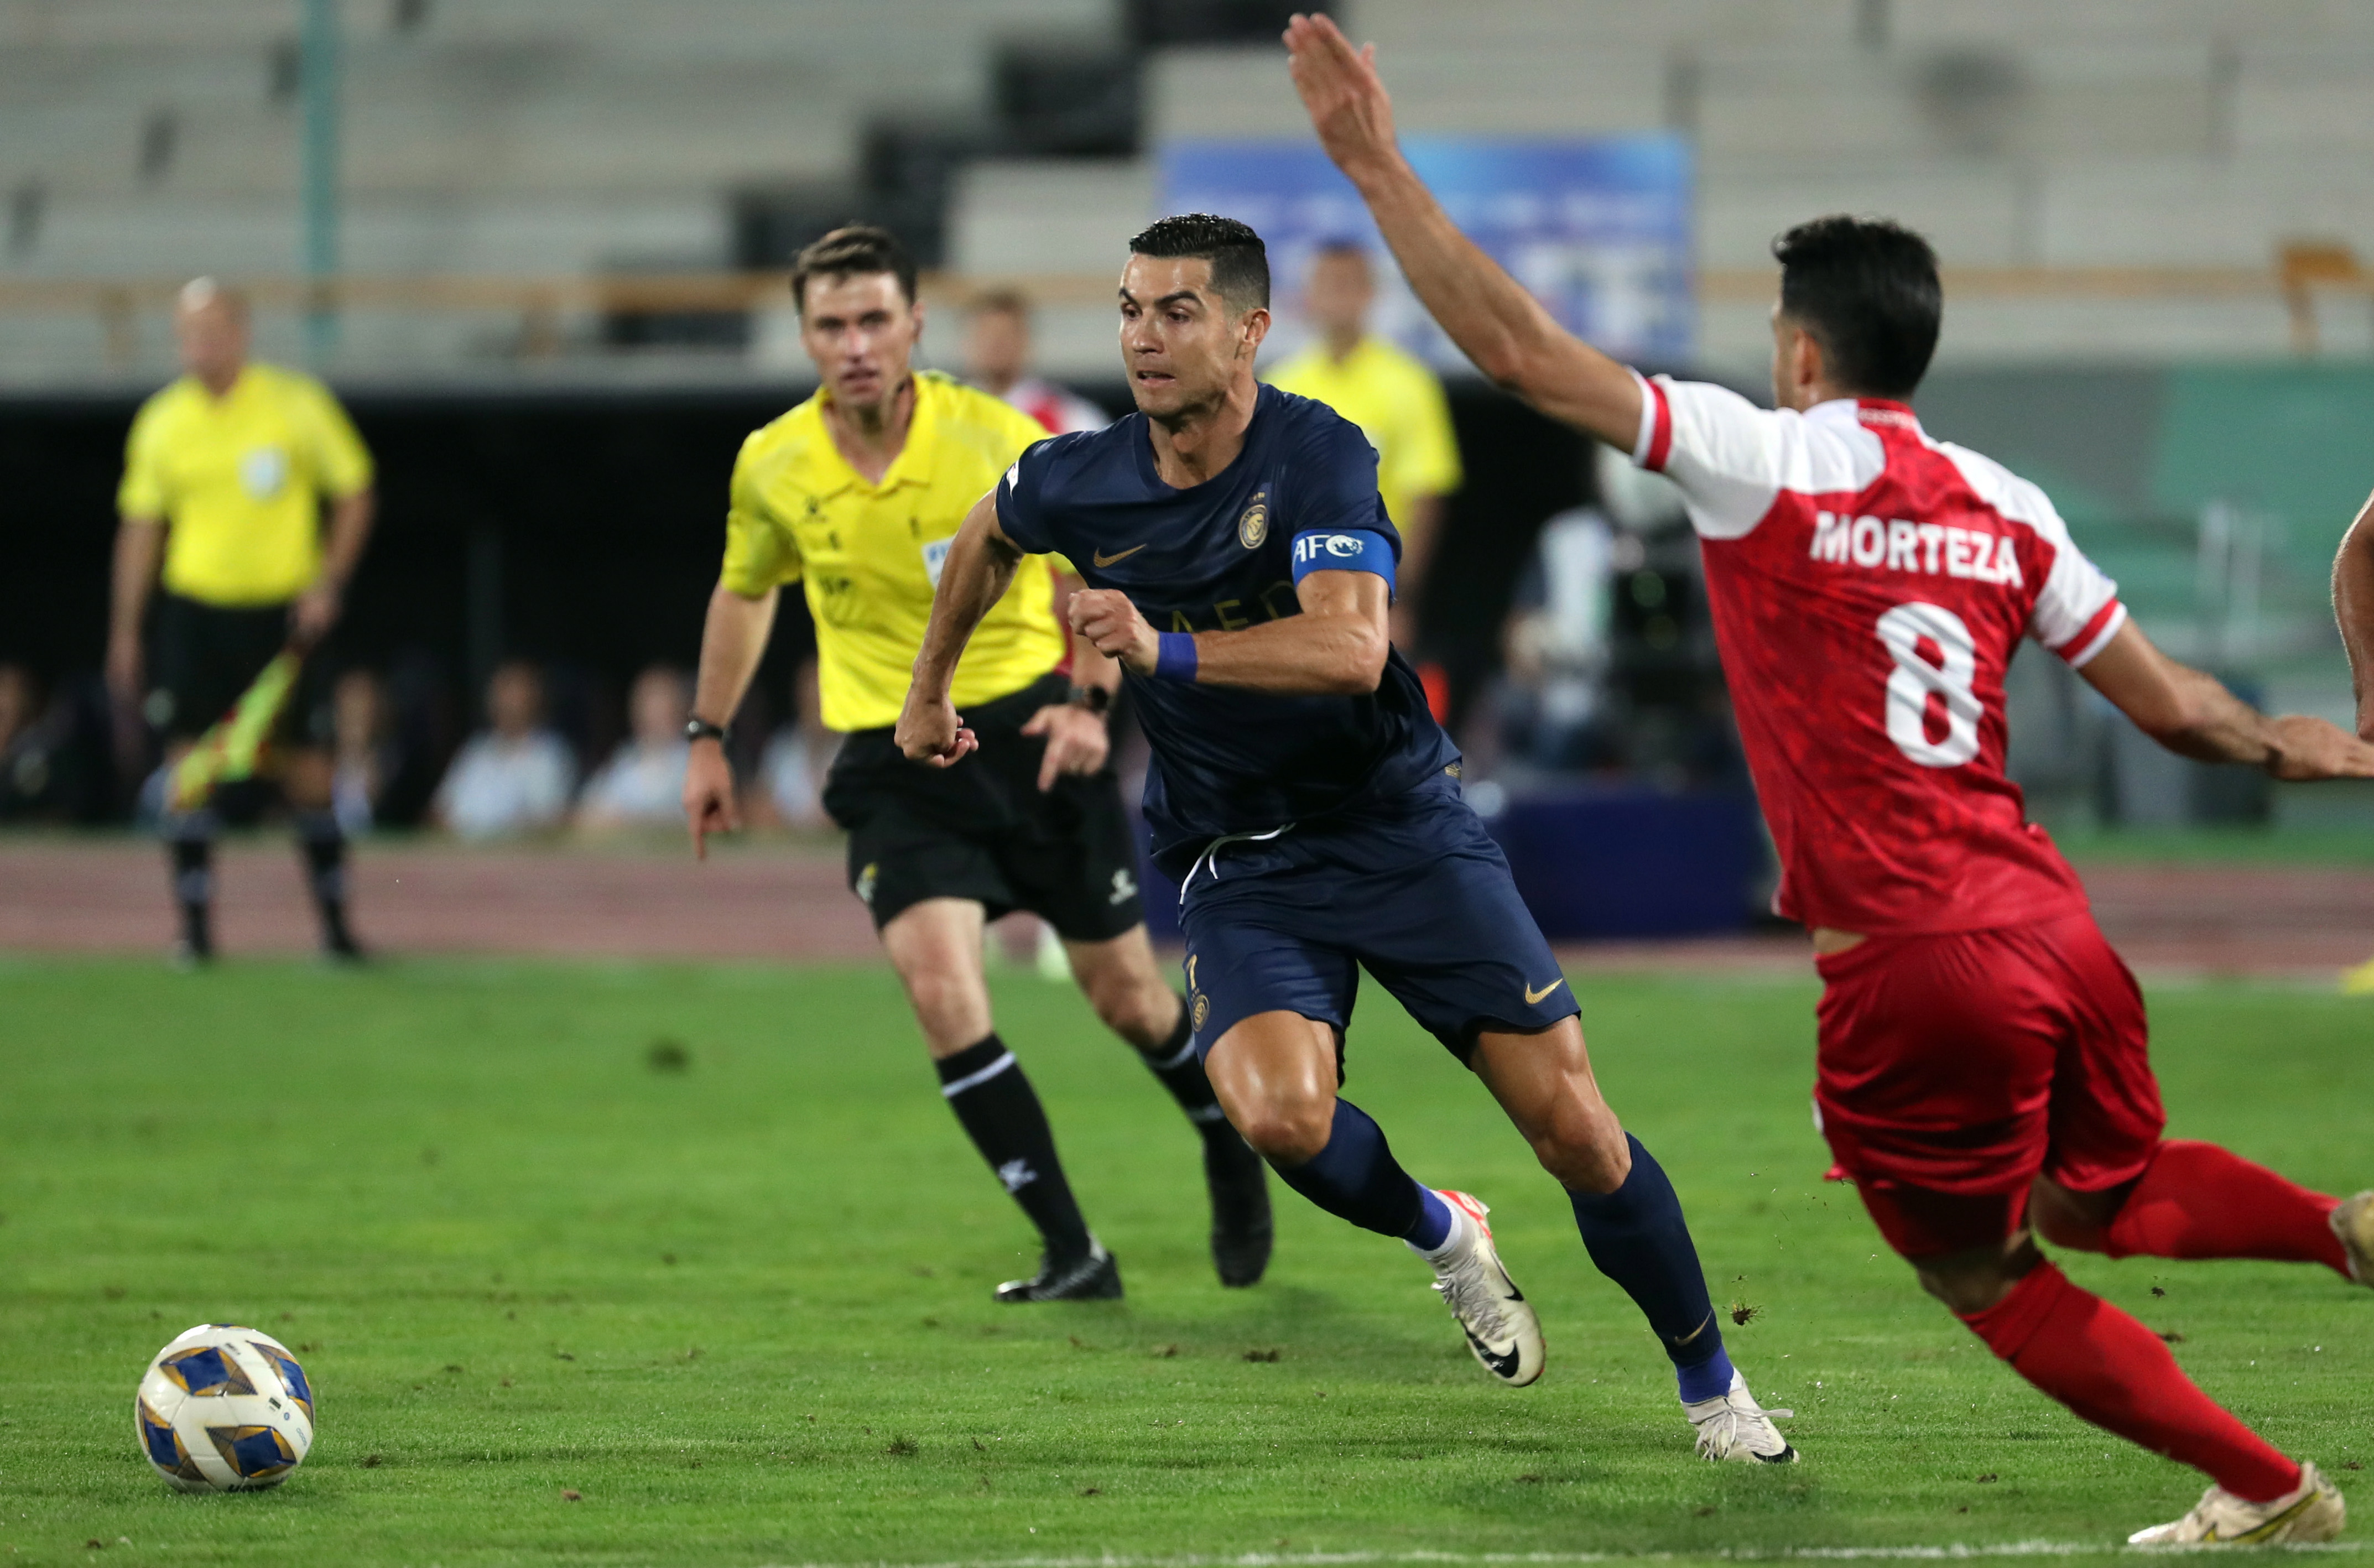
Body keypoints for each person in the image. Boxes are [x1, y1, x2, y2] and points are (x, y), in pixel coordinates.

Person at [1283, 9, 2374, 1541]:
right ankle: (2347, 1230)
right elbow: (2183, 712)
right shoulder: (2007, 501)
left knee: (1985, 1272)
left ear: (1801, 351)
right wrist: (2303, 743)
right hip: (2054, 930)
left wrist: (1371, 165)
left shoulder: (1760, 455)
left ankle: (2270, 1487)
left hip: (1909, 962)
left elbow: (1523, 355)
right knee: (2092, 1196)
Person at [897, 212, 1793, 1465]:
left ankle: (1715, 1391)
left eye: (1177, 312)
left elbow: (1353, 648)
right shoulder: (1078, 474)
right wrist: (930, 687)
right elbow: (989, 534)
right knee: (1273, 1114)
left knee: (1576, 1130)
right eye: (1128, 310)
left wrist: (1165, 650)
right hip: (1240, 860)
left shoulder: (1318, 456)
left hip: (1397, 828)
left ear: (1250, 331)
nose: (1144, 339)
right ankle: (1445, 1234)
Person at [683, 225, 1271, 1303]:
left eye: (873, 319)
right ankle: (1071, 1251)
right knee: (943, 991)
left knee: (1130, 999)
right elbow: (745, 588)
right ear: (805, 336)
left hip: (1034, 734)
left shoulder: (997, 437)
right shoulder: (772, 463)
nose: (854, 343)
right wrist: (708, 734)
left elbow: (1099, 573)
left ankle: (1226, 1140)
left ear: (914, 325)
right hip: (893, 755)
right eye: (831, 324)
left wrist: (1095, 703)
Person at [106, 277, 376, 963]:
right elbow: (141, 528)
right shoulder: (163, 421)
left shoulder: (294, 403)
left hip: (282, 619)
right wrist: (127, 629)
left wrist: (329, 581)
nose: (202, 346)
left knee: (310, 773)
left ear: (242, 332)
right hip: (197, 612)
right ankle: (195, 935)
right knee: (188, 771)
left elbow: (355, 490)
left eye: (214, 331)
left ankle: (337, 932)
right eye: (190, 333)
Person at [1264, 241, 1462, 652]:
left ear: (1371, 293)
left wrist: (1398, 598)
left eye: (1349, 284)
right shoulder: (1279, 387)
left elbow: (1426, 496)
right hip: (1292, 595)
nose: (1339, 296)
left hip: (1374, 589)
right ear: (1308, 295)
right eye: (1328, 284)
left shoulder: (1411, 384)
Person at [433, 660, 575, 840]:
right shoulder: (476, 749)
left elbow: (552, 820)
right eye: (501, 692)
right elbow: (438, 812)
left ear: (535, 698)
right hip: (462, 857)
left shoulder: (551, 753)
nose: (506, 701)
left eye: (515, 692)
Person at [965, 289, 1108, 436]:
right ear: (966, 342)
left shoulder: (1071, 419)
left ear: (1026, 340)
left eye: (1004, 335)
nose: (994, 344)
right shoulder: (948, 413)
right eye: (985, 334)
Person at [576, 664, 694, 832]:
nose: (654, 716)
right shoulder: (625, 760)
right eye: (648, 704)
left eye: (662, 704)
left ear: (679, 709)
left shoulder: (695, 760)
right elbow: (588, 813)